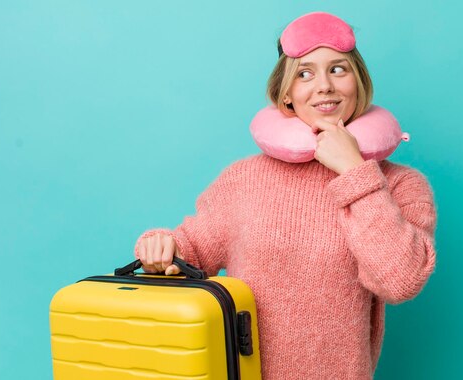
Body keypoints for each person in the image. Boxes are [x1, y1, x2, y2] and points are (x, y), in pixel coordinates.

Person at [134, 12, 437, 380]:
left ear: (358, 82)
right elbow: (190, 252)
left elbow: (399, 280)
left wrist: (355, 172)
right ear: (287, 94)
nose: (323, 86)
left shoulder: (401, 184)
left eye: (338, 69)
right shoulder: (245, 178)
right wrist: (159, 248)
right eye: (305, 73)